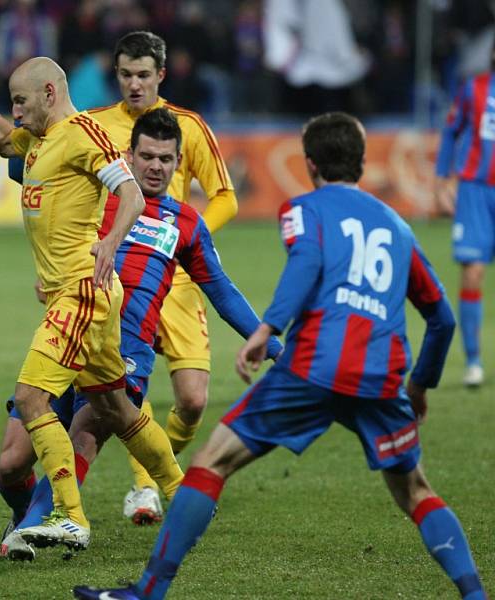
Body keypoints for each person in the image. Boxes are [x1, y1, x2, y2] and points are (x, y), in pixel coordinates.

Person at [73, 112, 488, 600]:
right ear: (361, 162)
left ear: (309, 164)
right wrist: (419, 386)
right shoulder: (398, 228)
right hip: (381, 373)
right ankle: (476, 594)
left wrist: (270, 327)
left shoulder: (303, 209)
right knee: (415, 489)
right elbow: (441, 318)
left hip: (314, 365)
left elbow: (308, 262)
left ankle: (149, 590)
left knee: (212, 461)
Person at [0, 108, 282, 560]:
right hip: (69, 326)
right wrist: (21, 130)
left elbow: (222, 292)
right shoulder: (101, 194)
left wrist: (273, 344)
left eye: (166, 159)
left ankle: (40, 526)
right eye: (147, 156)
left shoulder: (186, 224)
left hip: (125, 346)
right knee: (11, 464)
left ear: (177, 162)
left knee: (87, 431)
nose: (155, 167)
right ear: (128, 155)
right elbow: (24, 165)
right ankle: (28, 514)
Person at [0, 57, 184, 552]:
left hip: (81, 291)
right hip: (74, 294)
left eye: (21, 102)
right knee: (116, 408)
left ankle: (70, 516)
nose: (14, 112)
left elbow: (131, 193)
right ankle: (184, 496)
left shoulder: (82, 134)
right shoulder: (37, 139)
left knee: (32, 398)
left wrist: (111, 242)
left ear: (51, 94)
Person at [91, 30, 239, 523]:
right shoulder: (95, 126)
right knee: (110, 399)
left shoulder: (189, 127)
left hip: (175, 278)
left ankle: (147, 473)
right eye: (126, 75)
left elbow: (225, 197)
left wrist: (183, 243)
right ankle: (140, 486)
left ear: (161, 74)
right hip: (120, 277)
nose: (134, 84)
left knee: (194, 402)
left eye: (143, 75)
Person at [434, 49, 495, 388]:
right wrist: (442, 179)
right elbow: (450, 131)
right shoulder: (474, 89)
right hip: (475, 191)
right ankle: (473, 361)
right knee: (473, 273)